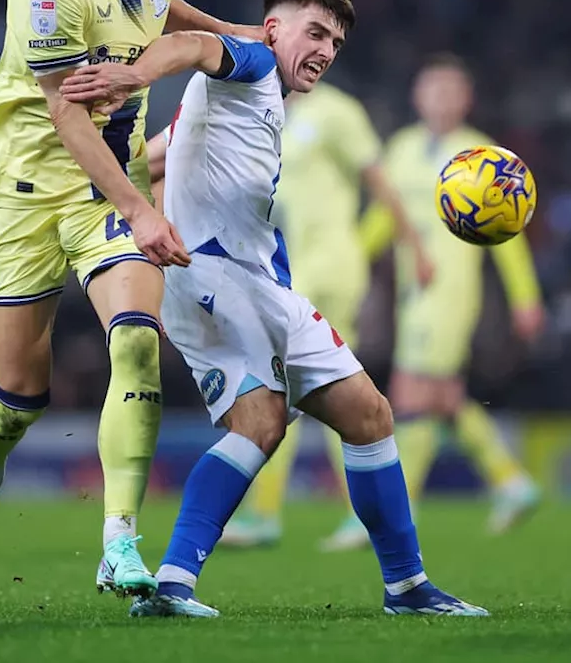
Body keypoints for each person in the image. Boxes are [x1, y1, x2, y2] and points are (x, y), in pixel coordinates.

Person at [59, 0, 487, 618]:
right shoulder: (255, 63)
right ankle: (180, 582)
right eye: (315, 32)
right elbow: (195, 45)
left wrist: (111, 186)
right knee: (263, 426)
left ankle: (400, 586)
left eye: (336, 43)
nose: (324, 50)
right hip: (222, 277)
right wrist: (134, 75)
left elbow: (162, 154)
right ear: (274, 29)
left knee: (364, 415)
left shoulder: (253, 104)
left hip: (239, 281)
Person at [0, 0, 259, 600]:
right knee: (21, 395)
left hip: (107, 197)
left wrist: (243, 36)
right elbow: (68, 115)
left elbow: (161, 8)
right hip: (27, 194)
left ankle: (120, 539)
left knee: (138, 344)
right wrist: (141, 212)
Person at [146, 80, 434, 550]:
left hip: (331, 265)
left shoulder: (338, 111)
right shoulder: (263, 106)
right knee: (289, 394)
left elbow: (379, 182)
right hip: (277, 266)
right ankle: (272, 513)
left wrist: (413, 247)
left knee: (321, 392)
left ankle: (322, 515)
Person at [313, 53, 546, 552]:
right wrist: (352, 254)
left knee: (410, 391)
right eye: (431, 89)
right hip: (410, 292)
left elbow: (511, 232)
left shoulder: (482, 156)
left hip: (451, 289)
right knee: (439, 396)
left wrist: (525, 298)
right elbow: (385, 217)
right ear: (418, 96)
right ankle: (509, 480)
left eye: (450, 91)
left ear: (466, 99)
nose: (440, 99)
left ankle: (389, 509)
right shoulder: (402, 149)